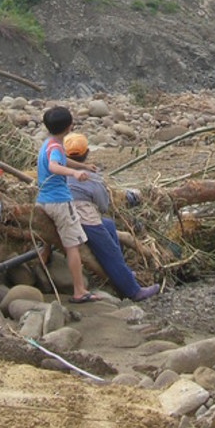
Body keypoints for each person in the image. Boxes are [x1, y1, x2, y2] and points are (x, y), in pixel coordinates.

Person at [64, 132, 160, 302]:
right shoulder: (91, 178)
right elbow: (102, 205)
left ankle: (122, 271)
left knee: (108, 225)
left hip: (66, 214)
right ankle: (133, 291)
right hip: (83, 219)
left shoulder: (61, 171)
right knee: (110, 251)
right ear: (86, 154)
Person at [35, 106, 100, 304]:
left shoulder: (48, 143)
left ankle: (42, 264)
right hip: (60, 201)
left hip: (43, 201)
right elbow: (55, 166)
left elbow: (61, 161)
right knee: (73, 245)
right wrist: (74, 174)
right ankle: (79, 291)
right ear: (69, 127)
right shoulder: (55, 148)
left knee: (49, 237)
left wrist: (83, 166)